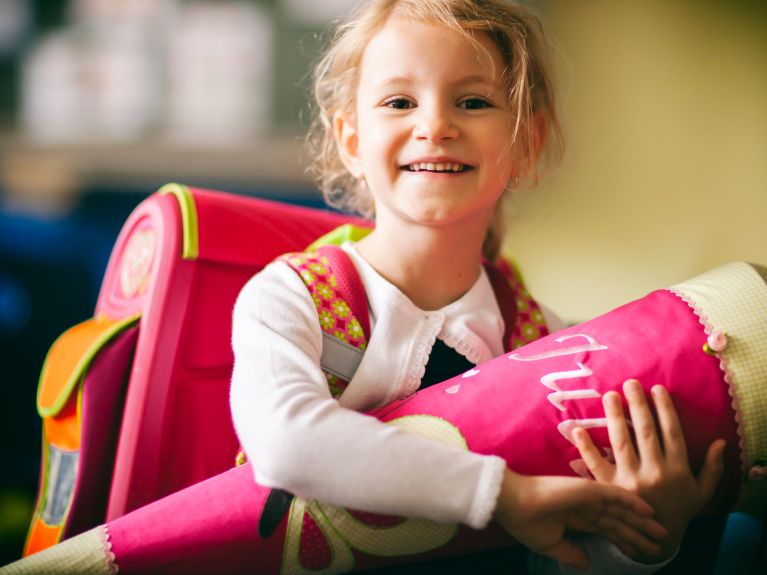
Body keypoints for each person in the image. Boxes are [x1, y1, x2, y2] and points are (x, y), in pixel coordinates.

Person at [228, 0, 725, 573]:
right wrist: (506, 494)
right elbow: (286, 443)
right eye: (398, 102)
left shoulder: (552, 344)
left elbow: (569, 553)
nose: (435, 125)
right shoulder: (292, 299)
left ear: (526, 144)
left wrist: (644, 540)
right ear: (351, 140)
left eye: (473, 101)